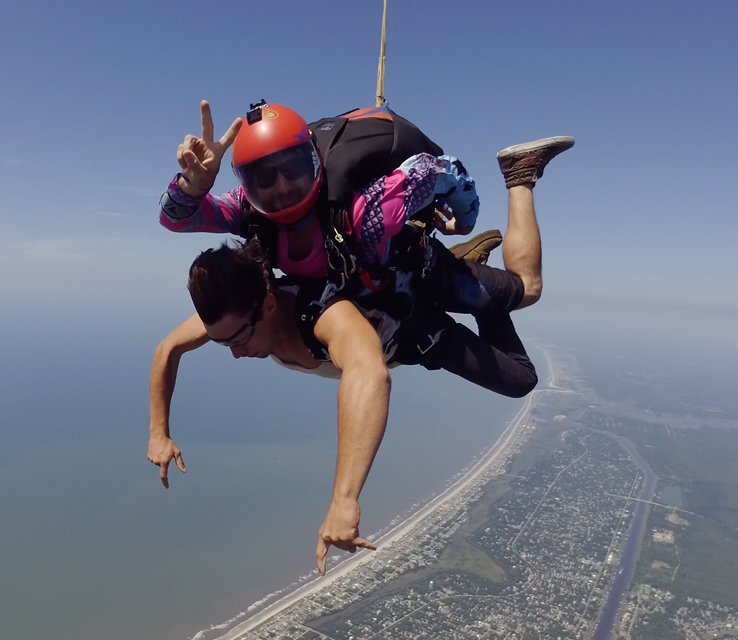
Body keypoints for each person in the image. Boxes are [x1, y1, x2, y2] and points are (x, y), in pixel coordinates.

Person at [148, 239, 538, 575]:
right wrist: (158, 432)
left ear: (268, 305)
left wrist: (344, 499)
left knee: (523, 356)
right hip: (400, 322)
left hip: (420, 329)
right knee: (514, 371)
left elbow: (370, 375)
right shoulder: (235, 314)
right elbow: (168, 349)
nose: (234, 353)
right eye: (221, 343)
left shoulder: (322, 315)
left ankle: (516, 182)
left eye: (239, 339)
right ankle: (461, 279)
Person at [158, 100, 574, 316]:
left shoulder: (368, 207)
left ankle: (519, 175)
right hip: (369, 286)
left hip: (412, 271)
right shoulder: (248, 209)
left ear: (315, 162)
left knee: (528, 289)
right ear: (247, 187)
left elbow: (446, 171)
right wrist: (192, 186)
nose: (281, 186)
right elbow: (175, 220)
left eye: (292, 169)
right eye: (264, 177)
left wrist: (463, 221)